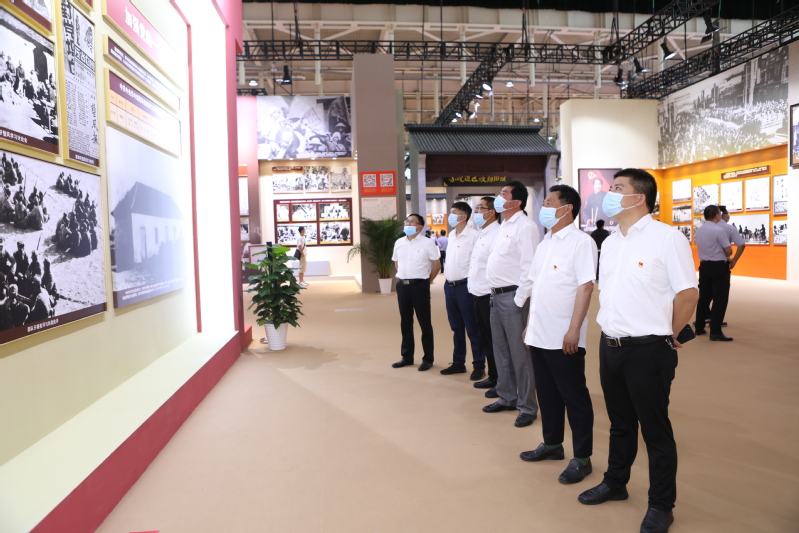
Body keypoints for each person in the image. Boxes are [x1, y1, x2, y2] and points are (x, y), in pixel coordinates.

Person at [579, 169, 698, 533]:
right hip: (611, 345)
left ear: (639, 197)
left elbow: (688, 294)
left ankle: (661, 504)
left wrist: (669, 335)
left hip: (648, 350)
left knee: (655, 429)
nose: (609, 194)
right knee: (620, 423)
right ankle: (616, 482)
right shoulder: (611, 242)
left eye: (617, 188)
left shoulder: (666, 238)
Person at [519, 185, 597, 486]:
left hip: (565, 335)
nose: (545, 208)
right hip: (540, 333)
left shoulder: (581, 243)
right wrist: (530, 326)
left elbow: (585, 287)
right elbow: (537, 287)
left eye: (550, 203)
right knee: (547, 394)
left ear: (567, 208)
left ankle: (582, 458)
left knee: (574, 397)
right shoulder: (545, 242)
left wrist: (574, 330)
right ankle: (552, 444)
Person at [483, 181, 540, 428]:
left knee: (521, 356)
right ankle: (507, 396)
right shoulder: (504, 225)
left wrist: (519, 300)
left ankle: (527, 406)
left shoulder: (525, 227)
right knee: (502, 351)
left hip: (514, 297)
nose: (499, 197)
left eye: (504, 194)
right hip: (496, 296)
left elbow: (529, 268)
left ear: (516, 202)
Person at [440, 202, 484, 380]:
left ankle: (479, 365)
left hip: (465, 288)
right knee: (456, 327)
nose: (450, 215)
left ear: (464, 216)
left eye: (454, 212)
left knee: (472, 328)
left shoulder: (474, 236)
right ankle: (458, 362)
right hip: (449, 286)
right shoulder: (451, 235)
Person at [391, 214, 441, 371]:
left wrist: (427, 281)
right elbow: (396, 263)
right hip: (402, 286)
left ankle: (428, 358)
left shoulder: (427, 243)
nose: (408, 224)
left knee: (424, 323)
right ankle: (407, 357)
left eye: (412, 222)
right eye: (407, 221)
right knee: (405, 322)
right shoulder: (399, 242)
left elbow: (437, 265)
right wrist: (404, 275)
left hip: (420, 286)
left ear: (420, 227)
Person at [468, 197, 501, 393]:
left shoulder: (497, 234)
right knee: (486, 338)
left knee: (495, 340)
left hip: (489, 295)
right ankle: (494, 376)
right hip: (477, 293)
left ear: (492, 212)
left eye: (481, 208)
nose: (476, 212)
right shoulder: (482, 233)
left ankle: (501, 381)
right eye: (476, 208)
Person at [694, 206, 734, 341]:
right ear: (717, 215)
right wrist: (729, 254)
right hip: (718, 267)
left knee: (704, 297)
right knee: (720, 298)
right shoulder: (718, 230)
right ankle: (715, 331)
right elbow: (728, 250)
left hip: (704, 266)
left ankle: (699, 327)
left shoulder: (699, 230)